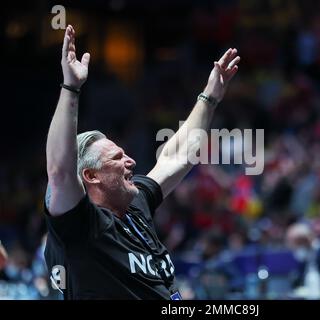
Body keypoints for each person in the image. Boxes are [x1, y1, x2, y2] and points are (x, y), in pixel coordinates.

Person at [44, 25, 240, 300]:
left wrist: (209, 97)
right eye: (117, 158)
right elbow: (60, 171)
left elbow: (178, 155)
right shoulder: (80, 226)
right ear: (90, 176)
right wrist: (71, 88)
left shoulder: (134, 204)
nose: (132, 161)